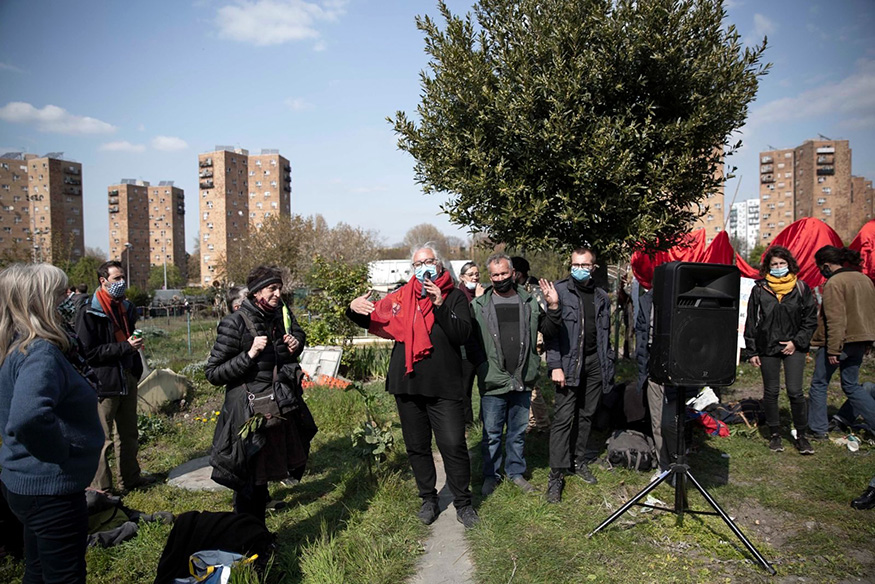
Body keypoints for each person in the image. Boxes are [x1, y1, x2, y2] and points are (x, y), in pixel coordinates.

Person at [346, 243, 479, 528]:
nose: (424, 267)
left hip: (444, 385)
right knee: (417, 447)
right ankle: (428, 500)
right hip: (407, 384)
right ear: (412, 269)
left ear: (440, 266)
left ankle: (463, 503)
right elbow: (372, 317)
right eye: (418, 264)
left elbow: (462, 334)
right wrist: (353, 308)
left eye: (429, 262)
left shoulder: (454, 296)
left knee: (453, 445)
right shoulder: (400, 297)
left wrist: (440, 304)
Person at [0, 263, 104, 584]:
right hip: (51, 489)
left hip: (24, 483)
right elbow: (29, 416)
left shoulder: (19, 345)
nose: (69, 298)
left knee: (39, 571)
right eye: (61, 293)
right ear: (42, 301)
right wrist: (61, 453)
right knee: (65, 577)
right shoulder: (42, 352)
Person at [206, 266, 308, 524]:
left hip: (274, 409)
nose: (277, 293)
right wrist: (249, 355)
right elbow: (214, 373)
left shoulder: (276, 316)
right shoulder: (235, 323)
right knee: (248, 485)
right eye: (272, 289)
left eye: (279, 288)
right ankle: (246, 543)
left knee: (261, 483)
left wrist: (296, 343)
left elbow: (294, 337)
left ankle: (257, 538)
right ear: (255, 293)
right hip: (246, 415)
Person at [470, 254, 559, 496]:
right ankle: (491, 474)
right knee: (491, 434)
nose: (499, 279)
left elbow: (548, 330)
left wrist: (552, 307)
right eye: (495, 275)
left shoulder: (528, 302)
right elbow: (471, 343)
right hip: (492, 380)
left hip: (522, 377)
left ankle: (516, 472)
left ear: (513, 274)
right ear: (490, 277)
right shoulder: (479, 306)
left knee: (518, 432)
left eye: (504, 274)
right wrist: (481, 366)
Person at [76, 260, 154, 494]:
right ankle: (103, 489)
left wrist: (133, 355)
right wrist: (125, 348)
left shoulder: (126, 308)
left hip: (127, 376)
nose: (122, 283)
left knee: (129, 433)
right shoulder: (89, 312)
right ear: (103, 281)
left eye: (123, 278)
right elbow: (87, 353)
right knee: (101, 439)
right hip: (104, 382)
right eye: (116, 279)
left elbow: (127, 339)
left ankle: (130, 479)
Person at [544, 247, 614, 503]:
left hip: (594, 362)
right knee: (564, 418)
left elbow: (604, 336)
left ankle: (578, 460)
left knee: (586, 414)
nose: (579, 269)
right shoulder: (559, 292)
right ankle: (556, 475)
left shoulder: (601, 296)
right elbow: (550, 335)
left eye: (585, 265)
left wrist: (608, 366)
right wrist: (555, 366)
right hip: (568, 363)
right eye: (575, 264)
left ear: (593, 268)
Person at [743, 246, 817, 454]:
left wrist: (796, 342)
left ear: (789, 264)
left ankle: (801, 436)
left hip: (794, 346)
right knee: (771, 392)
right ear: (768, 267)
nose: (778, 267)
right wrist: (752, 351)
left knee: (795, 391)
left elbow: (810, 321)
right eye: (774, 264)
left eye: (781, 264)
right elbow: (751, 321)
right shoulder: (759, 289)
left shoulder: (802, 288)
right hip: (767, 347)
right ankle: (775, 434)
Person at [807, 246, 875, 440]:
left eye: (820, 266)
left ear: (826, 265)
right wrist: (869, 339)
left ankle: (818, 430)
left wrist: (833, 349)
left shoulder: (834, 283)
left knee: (819, 384)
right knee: (851, 385)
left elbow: (835, 319)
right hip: (861, 341)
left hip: (839, 342)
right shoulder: (865, 280)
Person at [510, 256, 552, 434]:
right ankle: (533, 422)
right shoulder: (519, 289)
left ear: (517, 273)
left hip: (533, 343)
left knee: (531, 384)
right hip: (522, 341)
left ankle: (542, 423)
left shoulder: (534, 291)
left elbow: (541, 318)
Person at [457, 261, 481, 425]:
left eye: (477, 274)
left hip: (481, 347)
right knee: (465, 388)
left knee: (485, 386)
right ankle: (467, 422)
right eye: (471, 274)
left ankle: (484, 420)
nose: (475, 277)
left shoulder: (484, 294)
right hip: (465, 348)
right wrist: (477, 301)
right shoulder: (458, 295)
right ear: (462, 277)